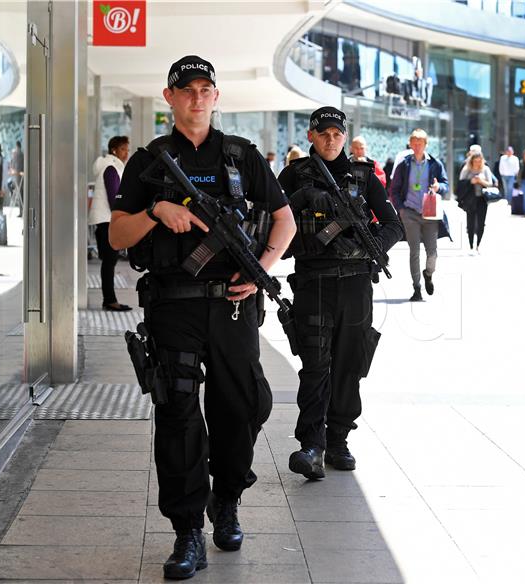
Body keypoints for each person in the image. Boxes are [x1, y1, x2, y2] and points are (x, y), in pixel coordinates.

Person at [109, 55, 296, 580]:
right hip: (174, 306)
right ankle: (187, 528)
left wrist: (261, 266)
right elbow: (116, 235)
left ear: (216, 96)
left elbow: (284, 221)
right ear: (168, 97)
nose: (196, 97)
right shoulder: (149, 161)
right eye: (185, 89)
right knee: (178, 416)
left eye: (205, 88)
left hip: (234, 305)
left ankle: (227, 498)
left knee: (243, 406)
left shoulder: (242, 156)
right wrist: (153, 213)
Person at [277, 106, 403, 479]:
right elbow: (274, 230)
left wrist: (368, 248)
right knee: (316, 364)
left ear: (345, 137)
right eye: (324, 133)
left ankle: (339, 440)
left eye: (337, 134)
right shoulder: (293, 176)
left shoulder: (363, 177)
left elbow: (394, 225)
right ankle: (311, 444)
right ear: (311, 137)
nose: (331, 140)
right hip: (314, 283)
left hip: (356, 284)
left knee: (349, 364)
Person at [390, 128, 449, 301]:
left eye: (420, 143)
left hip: (430, 213)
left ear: (425, 144)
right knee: (414, 251)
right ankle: (416, 288)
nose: (416, 146)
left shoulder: (435, 164)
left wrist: (440, 187)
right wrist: (400, 209)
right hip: (409, 213)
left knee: (432, 252)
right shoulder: (404, 164)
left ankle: (428, 274)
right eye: (413, 143)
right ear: (410, 144)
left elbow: (445, 185)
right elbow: (393, 190)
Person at [89, 136, 132, 311]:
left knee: (109, 261)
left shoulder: (111, 167)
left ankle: (109, 299)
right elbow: (115, 198)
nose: (126, 153)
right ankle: (109, 300)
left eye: (127, 149)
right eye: (123, 149)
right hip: (107, 221)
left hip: (105, 220)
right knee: (109, 262)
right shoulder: (111, 168)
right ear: (114, 150)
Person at [457, 151, 494, 254]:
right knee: (470, 224)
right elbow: (460, 184)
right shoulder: (466, 170)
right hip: (470, 200)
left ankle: (478, 245)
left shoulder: (485, 169)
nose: (477, 163)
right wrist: (470, 182)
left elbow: (490, 183)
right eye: (475, 161)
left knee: (481, 223)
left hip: (482, 199)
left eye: (479, 161)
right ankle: (471, 246)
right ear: (471, 161)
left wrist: (481, 181)